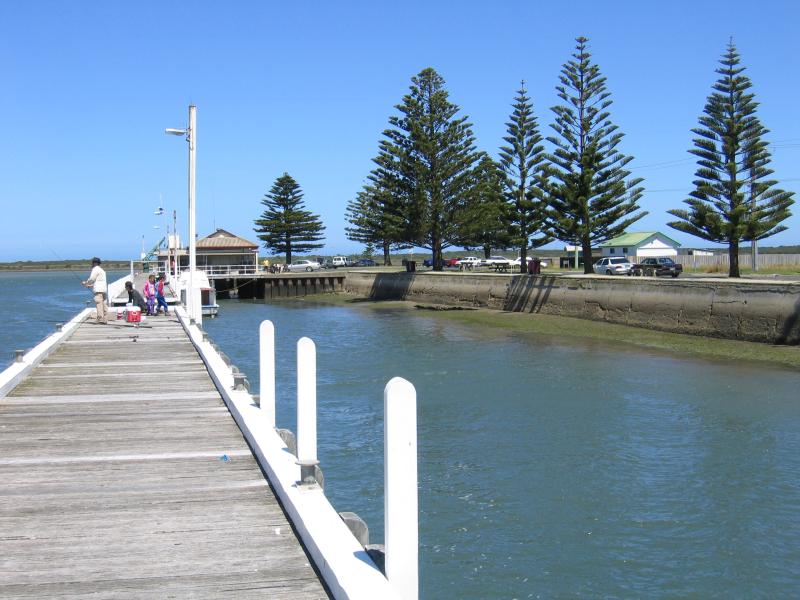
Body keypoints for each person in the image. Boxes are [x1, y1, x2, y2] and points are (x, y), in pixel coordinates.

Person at [82, 257, 108, 324]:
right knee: (104, 304)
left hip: (98, 291)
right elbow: (99, 281)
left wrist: (86, 283)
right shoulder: (102, 270)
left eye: (92, 262)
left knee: (99, 303)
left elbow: (92, 279)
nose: (92, 264)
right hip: (104, 290)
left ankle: (99, 318)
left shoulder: (95, 269)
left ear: (95, 263)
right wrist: (90, 285)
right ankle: (105, 319)